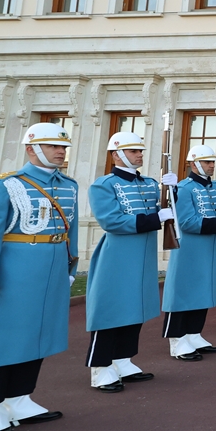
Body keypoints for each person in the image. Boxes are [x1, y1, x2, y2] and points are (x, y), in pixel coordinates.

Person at [0, 123, 77, 431]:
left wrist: (71, 267)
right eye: (53, 146)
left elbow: (71, 231)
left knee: (39, 334)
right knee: (3, 340)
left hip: (52, 270)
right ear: (30, 149)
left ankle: (20, 398)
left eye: (63, 147)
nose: (60, 151)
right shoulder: (5, 186)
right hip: (15, 273)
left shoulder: (69, 185)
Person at [84, 131, 164, 392]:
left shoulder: (151, 183)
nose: (139, 155)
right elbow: (112, 220)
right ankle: (100, 366)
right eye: (133, 151)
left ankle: (123, 359)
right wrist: (156, 219)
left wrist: (173, 192)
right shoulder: (103, 185)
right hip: (117, 254)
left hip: (143, 254)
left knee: (135, 306)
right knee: (110, 308)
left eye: (140, 151)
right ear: (116, 154)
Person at [162, 145, 216, 360]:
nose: (212, 165)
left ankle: (194, 333)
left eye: (212, 162)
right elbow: (186, 222)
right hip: (190, 248)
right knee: (182, 292)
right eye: (207, 162)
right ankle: (177, 339)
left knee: (203, 290)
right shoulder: (185, 188)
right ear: (194, 164)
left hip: (210, 246)